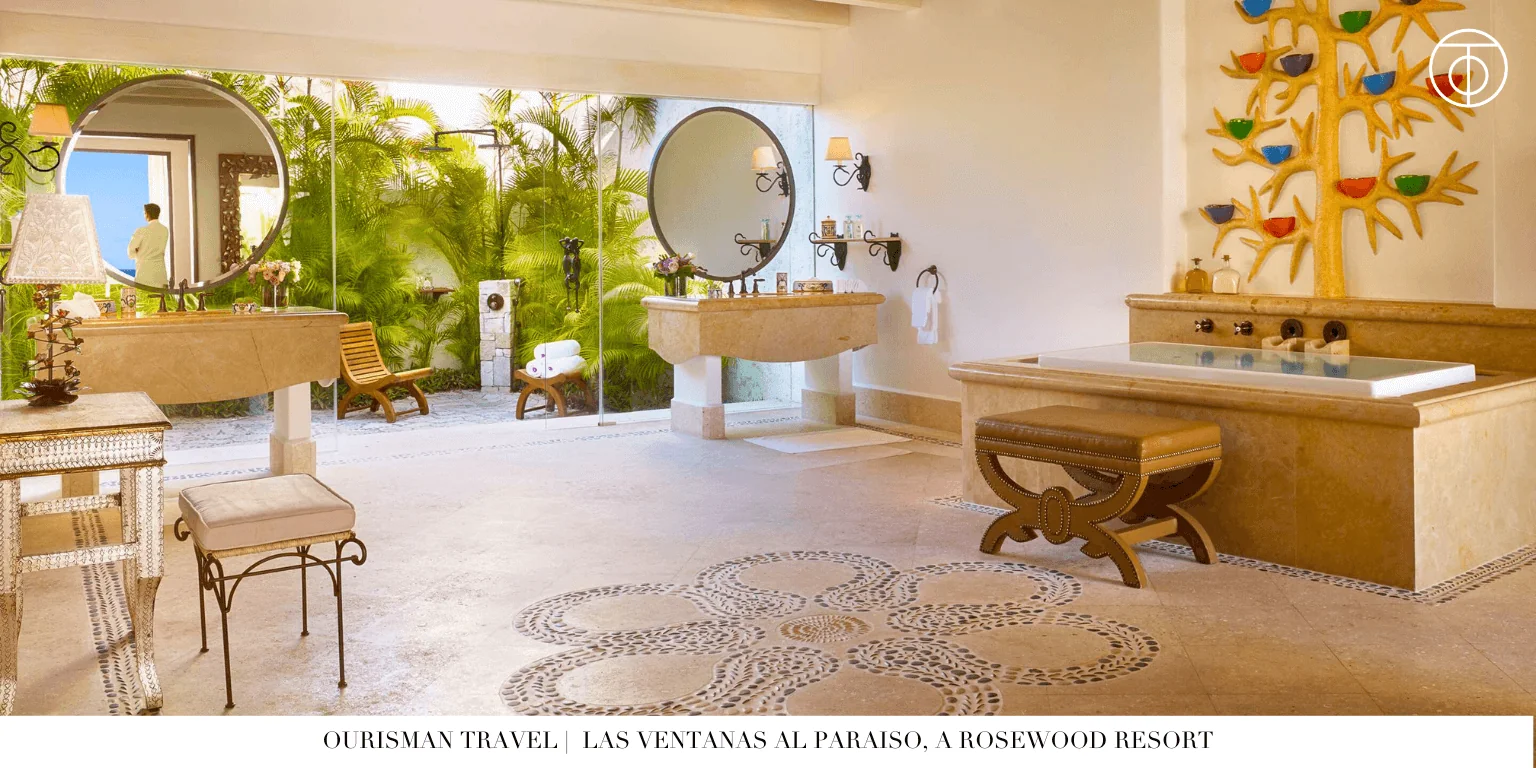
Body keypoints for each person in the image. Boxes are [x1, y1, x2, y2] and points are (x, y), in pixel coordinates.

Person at [128, 203, 169, 288]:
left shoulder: (142, 230)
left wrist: (138, 252)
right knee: (161, 299)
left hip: (144, 273)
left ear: (147, 214)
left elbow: (130, 251)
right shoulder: (165, 230)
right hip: (160, 274)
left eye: (144, 213)